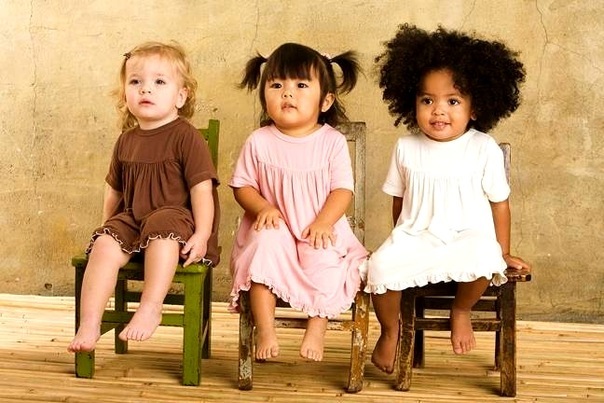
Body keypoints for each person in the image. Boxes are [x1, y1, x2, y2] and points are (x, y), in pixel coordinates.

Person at [363, 24, 532, 373]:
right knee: (379, 266)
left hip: (467, 237)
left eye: (452, 101)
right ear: (412, 102)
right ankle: (391, 331)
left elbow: (500, 204)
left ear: (475, 108)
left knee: (485, 256)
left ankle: (461, 310)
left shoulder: (482, 148)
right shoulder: (406, 147)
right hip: (417, 236)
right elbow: (399, 202)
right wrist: (400, 239)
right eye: (427, 100)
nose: (438, 111)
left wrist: (502, 252)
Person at [68, 41, 220, 353]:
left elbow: (202, 189)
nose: (145, 89)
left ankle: (151, 306)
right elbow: (114, 189)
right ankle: (90, 321)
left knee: (163, 228)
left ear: (181, 96)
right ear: (125, 94)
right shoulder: (126, 141)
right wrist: (107, 228)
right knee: (105, 243)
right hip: (134, 220)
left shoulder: (186, 137)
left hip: (174, 220)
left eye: (159, 82)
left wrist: (203, 234)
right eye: (136, 81)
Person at [228, 43, 368, 362]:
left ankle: (316, 328)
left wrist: (324, 222)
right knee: (262, 254)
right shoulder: (259, 141)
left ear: (325, 101)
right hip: (274, 226)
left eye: (301, 85)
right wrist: (263, 207)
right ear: (264, 96)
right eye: (277, 85)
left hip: (315, 227)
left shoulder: (331, 142)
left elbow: (342, 190)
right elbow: (242, 186)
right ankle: (266, 329)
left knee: (326, 262)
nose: (287, 93)